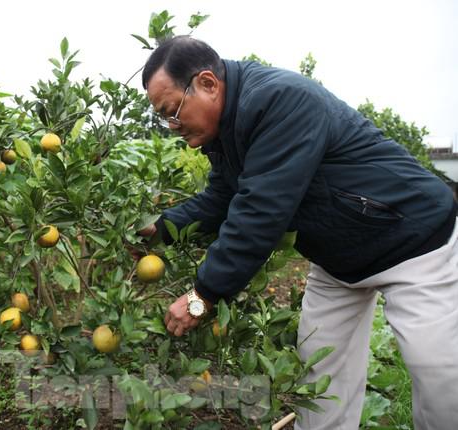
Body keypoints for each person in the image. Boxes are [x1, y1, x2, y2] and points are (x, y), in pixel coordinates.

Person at [138, 35, 458, 429]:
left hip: (411, 240)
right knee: (320, 373)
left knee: (439, 371)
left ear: (207, 83)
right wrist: (158, 231)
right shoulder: (225, 134)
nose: (172, 126)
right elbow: (222, 198)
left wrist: (203, 295)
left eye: (173, 112)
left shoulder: (280, 100)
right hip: (338, 259)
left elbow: (260, 210)